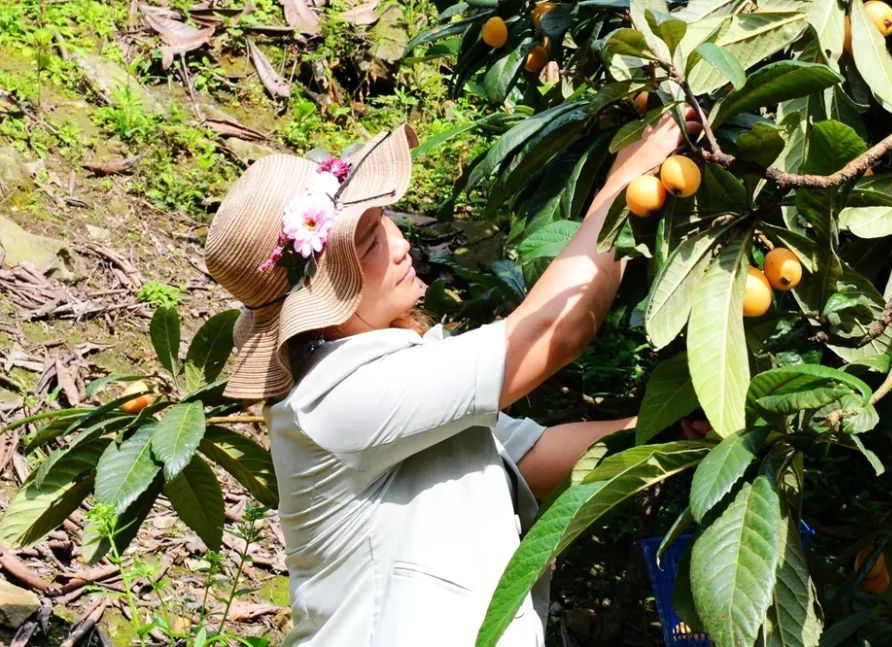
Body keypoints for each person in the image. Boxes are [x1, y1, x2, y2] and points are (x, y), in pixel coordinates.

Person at [203, 111, 695, 646]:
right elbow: (560, 328)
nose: (396, 242)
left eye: (382, 220)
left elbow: (526, 457)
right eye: (367, 241)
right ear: (322, 295)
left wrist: (669, 428)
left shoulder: (377, 372)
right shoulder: (336, 397)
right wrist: (625, 183)